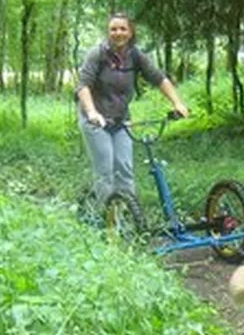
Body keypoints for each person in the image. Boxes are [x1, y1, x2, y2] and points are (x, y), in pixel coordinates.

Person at [75, 13, 188, 203]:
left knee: (125, 168)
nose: (118, 33)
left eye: (123, 29)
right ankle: (106, 215)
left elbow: (159, 78)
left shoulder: (135, 55)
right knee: (106, 169)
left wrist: (177, 103)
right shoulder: (97, 54)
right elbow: (83, 86)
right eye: (113, 29)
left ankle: (128, 213)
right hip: (96, 120)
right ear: (108, 32)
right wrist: (92, 112)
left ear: (130, 32)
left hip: (121, 119)